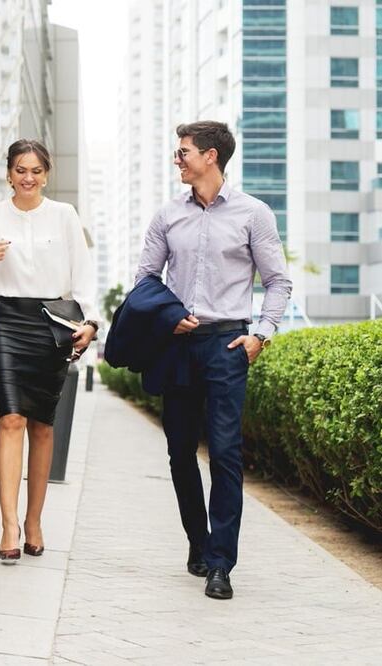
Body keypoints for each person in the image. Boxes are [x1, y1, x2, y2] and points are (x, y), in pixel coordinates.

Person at [136, 121, 292, 599]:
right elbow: (146, 279)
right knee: (180, 451)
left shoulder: (253, 214)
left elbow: (278, 281)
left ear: (210, 156)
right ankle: (197, 542)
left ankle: (221, 562)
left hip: (227, 345)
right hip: (178, 346)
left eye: (183, 152)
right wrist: (167, 318)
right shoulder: (168, 215)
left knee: (225, 452)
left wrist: (260, 334)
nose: (176, 159)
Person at [0, 139, 97, 563]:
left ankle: (35, 520)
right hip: (7, 320)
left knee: (42, 425)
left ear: (47, 175)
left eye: (36, 171)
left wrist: (90, 321)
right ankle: (9, 525)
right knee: (11, 418)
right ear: (8, 173)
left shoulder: (64, 215)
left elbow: (82, 274)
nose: (28, 178)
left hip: (52, 322)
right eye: (21, 170)